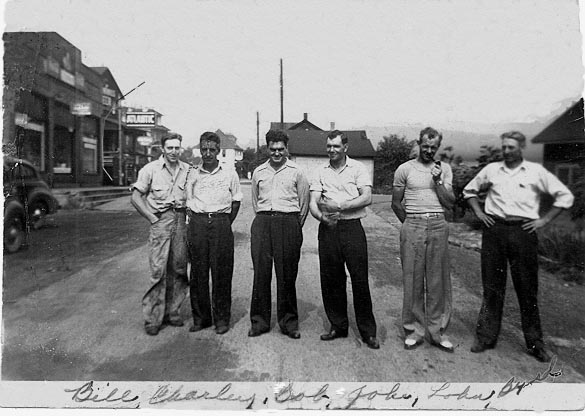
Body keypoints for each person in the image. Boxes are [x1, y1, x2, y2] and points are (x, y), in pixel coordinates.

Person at [463, 131, 574, 362]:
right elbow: (469, 191)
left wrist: (543, 220)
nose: (506, 151)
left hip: (523, 232)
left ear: (521, 148)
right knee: (492, 286)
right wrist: (480, 213)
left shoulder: (536, 171)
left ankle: (535, 344)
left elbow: (565, 196)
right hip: (494, 230)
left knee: (527, 289)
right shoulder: (492, 170)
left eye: (511, 147)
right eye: (504, 147)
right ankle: (486, 337)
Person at [309, 130, 380, 349]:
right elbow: (313, 201)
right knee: (331, 279)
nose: (331, 150)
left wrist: (340, 206)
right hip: (328, 228)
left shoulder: (358, 168)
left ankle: (368, 332)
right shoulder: (320, 171)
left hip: (352, 228)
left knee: (359, 279)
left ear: (345, 147)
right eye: (329, 146)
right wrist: (322, 217)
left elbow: (366, 197)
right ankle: (338, 326)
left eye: (336, 146)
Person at [392, 127, 456, 353]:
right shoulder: (404, 169)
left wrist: (438, 181)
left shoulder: (444, 169)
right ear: (419, 144)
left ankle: (437, 332)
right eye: (425, 146)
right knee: (413, 280)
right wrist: (411, 225)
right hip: (413, 224)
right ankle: (413, 330)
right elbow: (396, 203)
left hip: (438, 224)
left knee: (438, 281)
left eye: (433, 147)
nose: (429, 151)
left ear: (438, 147)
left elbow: (450, 203)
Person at [248, 130, 310, 339]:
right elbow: (255, 201)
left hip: (288, 222)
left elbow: (303, 204)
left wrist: (292, 226)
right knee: (261, 274)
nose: (277, 153)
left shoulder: (297, 172)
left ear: (286, 149)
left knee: (286, 275)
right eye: (273, 149)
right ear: (267, 148)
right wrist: (266, 219)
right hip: (263, 221)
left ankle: (289, 323)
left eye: (280, 149)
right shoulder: (258, 172)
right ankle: (259, 322)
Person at [131, 133, 191, 336]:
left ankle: (173, 312)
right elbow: (136, 197)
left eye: (177, 147)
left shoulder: (187, 170)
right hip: (161, 221)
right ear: (163, 149)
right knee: (158, 270)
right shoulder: (150, 169)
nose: (174, 151)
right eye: (170, 147)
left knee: (179, 267)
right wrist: (151, 218)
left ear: (180, 148)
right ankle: (153, 318)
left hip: (181, 220)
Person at [186, 131, 242, 335]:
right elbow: (188, 201)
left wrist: (223, 223)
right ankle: (201, 319)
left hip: (220, 223)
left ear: (218, 150)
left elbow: (236, 201)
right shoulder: (192, 173)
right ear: (200, 150)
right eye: (204, 149)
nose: (207, 153)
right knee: (198, 273)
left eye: (211, 149)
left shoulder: (229, 173)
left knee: (221, 273)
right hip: (198, 223)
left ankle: (221, 319)